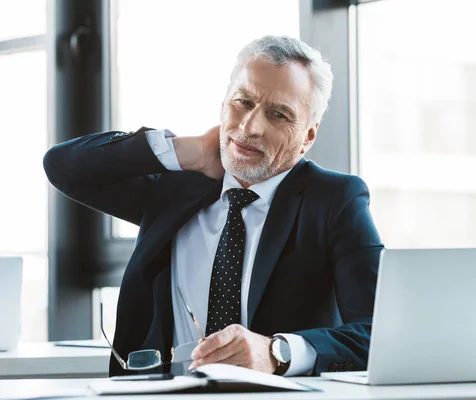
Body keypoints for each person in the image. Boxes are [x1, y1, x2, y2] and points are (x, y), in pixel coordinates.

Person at [43, 35, 383, 377]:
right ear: (223, 103)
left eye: (279, 114)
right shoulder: (176, 187)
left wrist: (278, 352)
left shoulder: (335, 200)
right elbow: (64, 166)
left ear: (308, 136)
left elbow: (377, 331)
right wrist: (182, 151)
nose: (251, 127)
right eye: (243, 102)